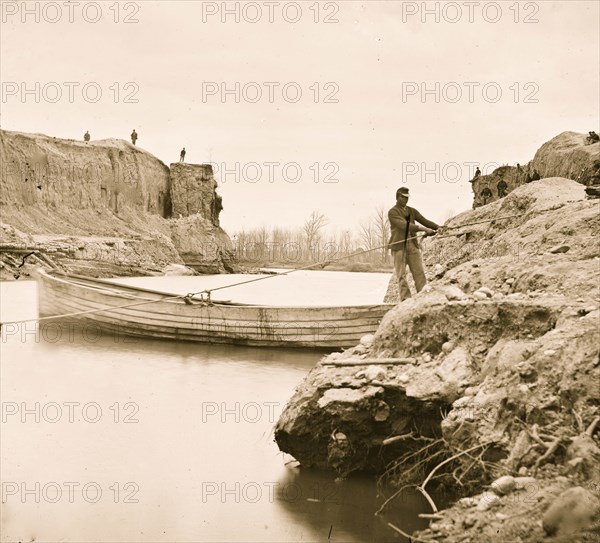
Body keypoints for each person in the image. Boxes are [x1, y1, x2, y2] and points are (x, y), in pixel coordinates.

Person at [388, 187, 439, 302]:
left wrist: (437, 227)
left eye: (407, 198)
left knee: (419, 273)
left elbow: (423, 220)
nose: (405, 200)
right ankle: (406, 300)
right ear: (397, 197)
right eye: (403, 197)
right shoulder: (393, 212)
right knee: (401, 276)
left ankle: (423, 298)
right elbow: (404, 225)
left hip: (412, 245)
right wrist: (423, 229)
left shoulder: (412, 211)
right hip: (399, 247)